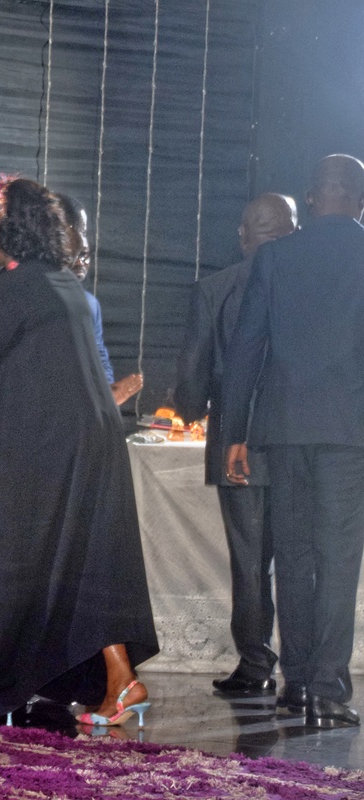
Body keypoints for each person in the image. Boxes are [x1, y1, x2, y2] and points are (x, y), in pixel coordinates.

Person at [0, 177, 158, 724]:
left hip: (48, 449)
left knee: (20, 562)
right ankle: (121, 680)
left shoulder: (20, 283)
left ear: (10, 227)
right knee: (82, 563)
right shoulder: (61, 282)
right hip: (88, 443)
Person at [224, 155, 364, 728]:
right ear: (361, 201)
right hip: (349, 431)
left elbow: (245, 350)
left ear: (310, 198)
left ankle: (298, 682)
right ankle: (328, 690)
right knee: (338, 559)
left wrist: (235, 433)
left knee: (294, 555)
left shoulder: (276, 256)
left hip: (281, 431)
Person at [175, 193, 296, 699]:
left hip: (234, 440)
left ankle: (255, 663)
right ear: (294, 232)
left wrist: (189, 410)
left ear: (243, 236)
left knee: (249, 563)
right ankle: (305, 669)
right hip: (296, 441)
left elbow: (193, 372)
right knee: (301, 559)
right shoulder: (307, 285)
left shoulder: (215, 289)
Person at [56, 193, 143, 407]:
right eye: (75, 230)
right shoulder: (32, 291)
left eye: (85, 255)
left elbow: (99, 357)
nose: (81, 262)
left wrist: (108, 395)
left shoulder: (89, 303)